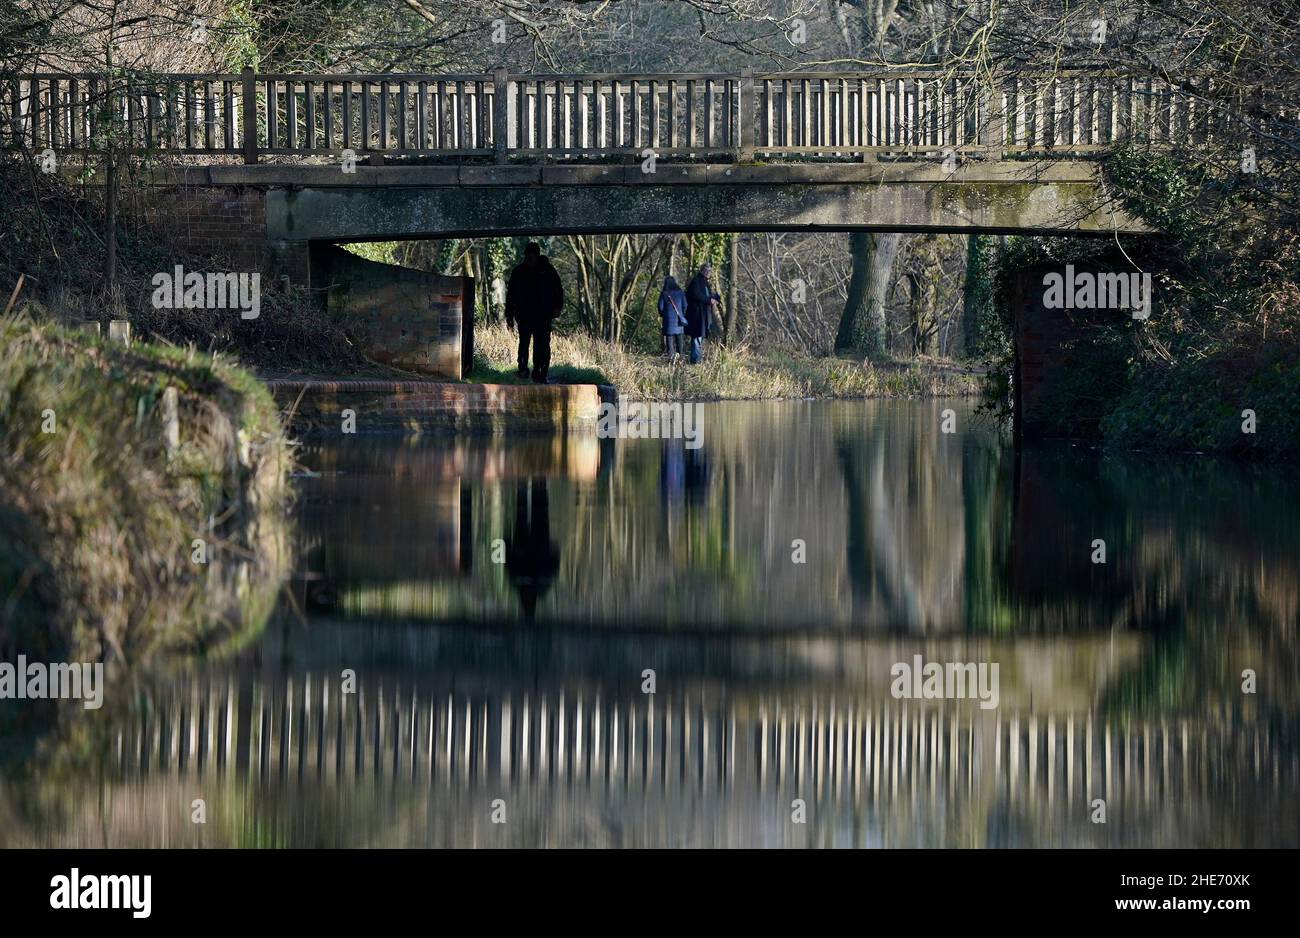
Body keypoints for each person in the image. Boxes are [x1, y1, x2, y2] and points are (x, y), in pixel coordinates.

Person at [506, 241, 564, 383]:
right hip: (526, 314)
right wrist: (509, 315)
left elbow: (558, 290)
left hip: (542, 315)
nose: (530, 258)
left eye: (532, 256)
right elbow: (511, 295)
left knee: (541, 344)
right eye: (528, 256)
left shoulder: (546, 271)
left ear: (537, 255)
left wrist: (557, 307)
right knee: (526, 343)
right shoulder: (520, 272)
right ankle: (525, 369)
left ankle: (539, 371)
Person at [684, 263, 721, 364]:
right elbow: (696, 295)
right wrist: (709, 300)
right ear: (702, 270)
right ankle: (695, 360)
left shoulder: (705, 282)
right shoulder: (696, 281)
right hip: (697, 315)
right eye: (707, 270)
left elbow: (706, 295)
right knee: (697, 336)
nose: (709, 273)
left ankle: (698, 359)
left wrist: (714, 298)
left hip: (704, 315)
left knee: (701, 337)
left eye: (710, 271)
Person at [658, 274, 688, 364]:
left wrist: (663, 315)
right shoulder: (681, 293)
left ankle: (671, 360)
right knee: (680, 342)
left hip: (668, 321)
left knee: (670, 342)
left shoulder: (664, 294)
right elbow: (685, 305)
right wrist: (682, 314)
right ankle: (681, 360)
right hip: (679, 321)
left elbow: (660, 307)